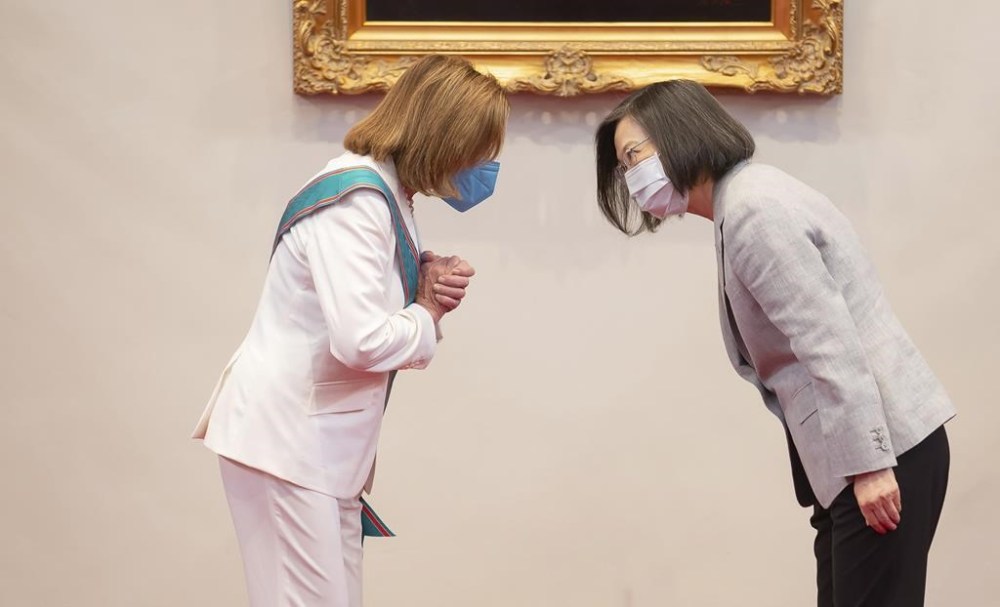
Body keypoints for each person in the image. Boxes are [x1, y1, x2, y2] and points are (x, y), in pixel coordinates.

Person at [594, 80, 955, 607]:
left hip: (881, 452)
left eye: (634, 157)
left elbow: (828, 343)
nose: (632, 178)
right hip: (862, 455)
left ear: (679, 135)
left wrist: (871, 466)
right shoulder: (746, 199)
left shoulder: (754, 211)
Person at [192, 54, 509, 607]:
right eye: (479, 147)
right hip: (287, 442)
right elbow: (361, 340)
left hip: (320, 449)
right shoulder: (357, 200)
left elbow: (369, 304)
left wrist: (419, 284)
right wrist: (428, 311)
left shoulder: (388, 194)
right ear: (442, 136)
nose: (484, 163)